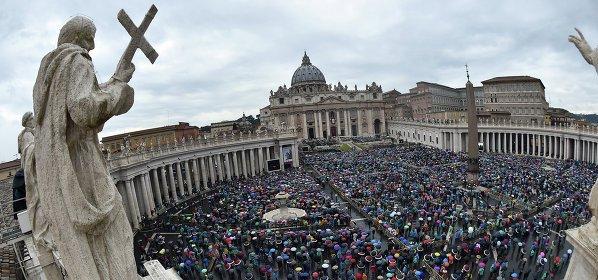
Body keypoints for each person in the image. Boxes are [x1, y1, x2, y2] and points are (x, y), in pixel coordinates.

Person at [32, 16, 137, 279]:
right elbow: (84, 109)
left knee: (89, 244)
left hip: (60, 167)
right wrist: (119, 89)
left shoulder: (49, 70)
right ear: (79, 38)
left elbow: (76, 100)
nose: (92, 45)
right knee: (116, 233)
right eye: (90, 38)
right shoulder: (77, 60)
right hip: (81, 165)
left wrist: (114, 80)